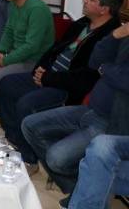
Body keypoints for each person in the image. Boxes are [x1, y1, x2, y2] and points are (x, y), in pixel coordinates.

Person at [0, 0, 122, 172]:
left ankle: (29, 160)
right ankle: (15, 139)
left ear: (104, 9)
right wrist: (40, 69)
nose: (84, 0)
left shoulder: (109, 38)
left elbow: (86, 78)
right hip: (49, 75)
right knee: (6, 83)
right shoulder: (82, 23)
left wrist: (48, 78)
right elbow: (55, 48)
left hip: (65, 88)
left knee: (26, 104)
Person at [22, 22, 129, 196]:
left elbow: (122, 78)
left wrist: (106, 68)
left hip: (112, 123)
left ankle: (87, 185)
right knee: (29, 125)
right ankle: (77, 187)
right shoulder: (124, 34)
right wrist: (116, 34)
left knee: (56, 158)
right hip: (90, 109)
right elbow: (95, 61)